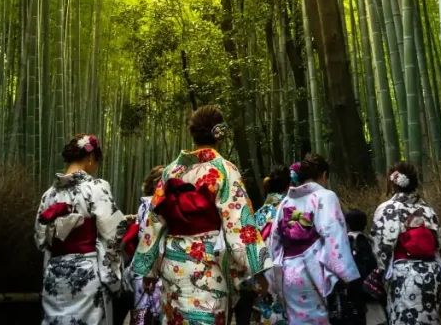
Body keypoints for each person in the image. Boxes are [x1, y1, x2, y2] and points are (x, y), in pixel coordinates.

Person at [132, 105, 273, 325]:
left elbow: (155, 223)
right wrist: (258, 270)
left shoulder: (171, 171)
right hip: (207, 261)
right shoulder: (224, 169)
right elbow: (239, 226)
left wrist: (149, 270)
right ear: (220, 134)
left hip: (173, 261)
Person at [34, 134, 127, 325]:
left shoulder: (48, 195)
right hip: (88, 275)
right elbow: (114, 233)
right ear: (90, 158)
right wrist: (114, 277)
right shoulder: (96, 187)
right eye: (97, 162)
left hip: (55, 274)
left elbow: (40, 239)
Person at [266, 154, 360, 324]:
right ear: (324, 175)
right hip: (314, 272)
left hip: (289, 274)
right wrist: (345, 275)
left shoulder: (286, 202)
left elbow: (275, 242)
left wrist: (274, 278)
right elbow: (334, 237)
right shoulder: (325, 196)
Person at [370, 162, 441, 325]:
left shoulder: (387, 209)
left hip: (403, 275)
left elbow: (381, 247)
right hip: (431, 273)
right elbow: (440, 246)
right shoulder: (428, 210)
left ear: (393, 182)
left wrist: (384, 275)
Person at [247, 166, 290, 325]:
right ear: (289, 185)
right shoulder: (289, 209)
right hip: (286, 267)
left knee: (268, 314)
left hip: (262, 270)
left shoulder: (258, 214)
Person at [330, 209, 384, 325]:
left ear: (346, 224)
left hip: (347, 291)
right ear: (365, 225)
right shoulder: (370, 243)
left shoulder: (340, 243)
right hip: (368, 291)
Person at [129, 166, 165, 325]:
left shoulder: (144, 204)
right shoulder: (154, 204)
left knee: (142, 314)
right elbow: (148, 236)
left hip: (143, 262)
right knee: (156, 313)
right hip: (156, 262)